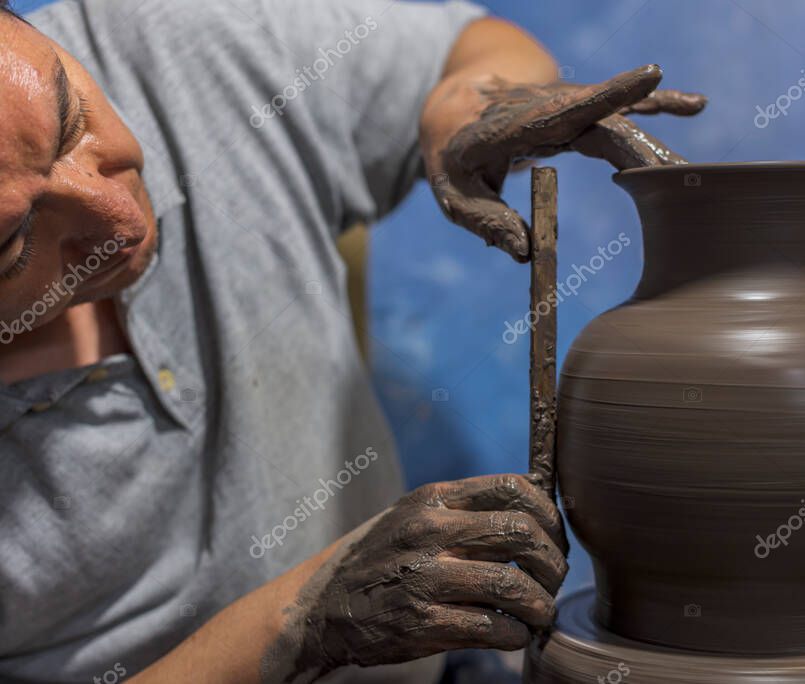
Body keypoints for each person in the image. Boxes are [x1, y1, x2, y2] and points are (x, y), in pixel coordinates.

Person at [0, 0, 705, 681]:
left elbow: (472, 45)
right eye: (13, 240)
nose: (120, 218)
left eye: (69, 119)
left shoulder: (175, 46)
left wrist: (471, 106)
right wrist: (296, 627)